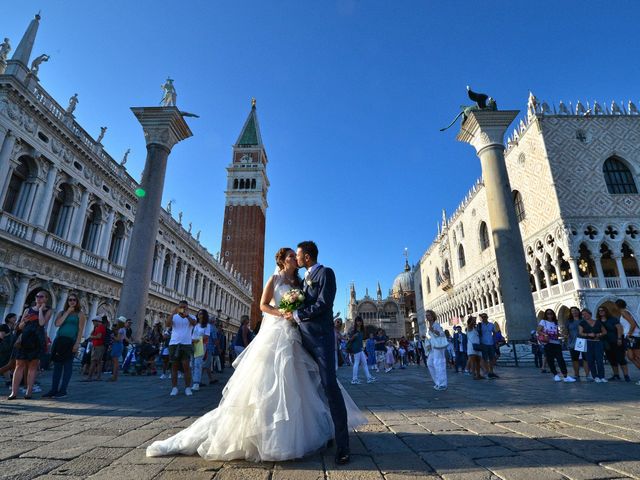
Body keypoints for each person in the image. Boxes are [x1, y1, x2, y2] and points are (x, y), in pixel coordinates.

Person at [146, 245, 365, 464]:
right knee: (273, 383)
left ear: (305, 257)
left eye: (296, 255)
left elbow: (320, 304)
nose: (294, 259)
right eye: (291, 256)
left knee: (308, 383)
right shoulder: (275, 279)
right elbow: (262, 305)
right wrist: (282, 312)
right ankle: (276, 435)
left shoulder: (305, 280)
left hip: (302, 336)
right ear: (283, 260)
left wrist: (294, 314)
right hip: (279, 333)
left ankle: (325, 435)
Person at [8, 290, 52, 399]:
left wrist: (40, 310)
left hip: (37, 340)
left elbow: (42, 323)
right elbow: (20, 327)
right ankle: (14, 392)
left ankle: (29, 391)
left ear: (46, 299)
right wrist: (25, 320)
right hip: (25, 339)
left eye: (41, 297)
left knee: (32, 367)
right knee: (19, 365)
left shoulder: (48, 311)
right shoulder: (28, 310)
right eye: (37, 296)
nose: (38, 298)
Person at [44, 293, 86, 397]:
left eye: (74, 300)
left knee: (67, 366)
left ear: (77, 302)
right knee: (57, 366)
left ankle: (63, 390)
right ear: (67, 302)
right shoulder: (62, 312)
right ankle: (54, 389)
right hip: (59, 340)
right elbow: (57, 324)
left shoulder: (80, 314)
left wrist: (77, 343)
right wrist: (67, 312)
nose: (72, 302)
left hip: (70, 341)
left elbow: (80, 330)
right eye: (70, 300)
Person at [167, 300, 197, 396]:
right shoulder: (174, 316)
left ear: (188, 308)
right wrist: (173, 313)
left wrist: (187, 316)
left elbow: (194, 324)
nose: (183, 309)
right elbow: (167, 324)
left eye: (185, 307)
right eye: (181, 307)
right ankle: (174, 387)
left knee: (186, 366)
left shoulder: (191, 316)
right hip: (174, 343)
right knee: (174, 367)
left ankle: (187, 387)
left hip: (186, 344)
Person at [537, 309, 575, 382]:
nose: (549, 315)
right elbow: (538, 331)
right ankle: (555, 375)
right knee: (550, 360)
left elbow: (556, 333)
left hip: (556, 343)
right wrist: (544, 334)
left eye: (551, 313)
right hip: (548, 343)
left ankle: (565, 376)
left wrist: (563, 335)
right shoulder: (543, 321)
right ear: (546, 315)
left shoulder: (555, 322)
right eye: (548, 313)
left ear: (553, 314)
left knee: (560, 359)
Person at [597, 305, 630, 382]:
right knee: (611, 359)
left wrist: (619, 338)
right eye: (599, 311)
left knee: (621, 358)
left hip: (615, 341)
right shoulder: (598, 321)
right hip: (606, 343)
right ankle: (616, 375)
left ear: (606, 311)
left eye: (602, 310)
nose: (601, 312)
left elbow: (619, 328)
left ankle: (626, 375)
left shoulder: (612, 319)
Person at [578, 308, 607, 382]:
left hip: (598, 342)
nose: (585, 315)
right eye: (583, 314)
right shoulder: (582, 323)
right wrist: (588, 334)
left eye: (586, 314)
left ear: (590, 314)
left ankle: (602, 376)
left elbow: (604, 332)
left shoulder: (598, 322)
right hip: (588, 342)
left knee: (599, 360)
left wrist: (599, 334)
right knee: (590, 360)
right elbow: (580, 333)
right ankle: (595, 377)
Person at [616, 299, 640, 382]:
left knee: (637, 356)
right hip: (631, 336)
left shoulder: (624, 312)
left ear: (616, 306)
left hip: (632, 336)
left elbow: (633, 324)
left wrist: (629, 334)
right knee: (631, 357)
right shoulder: (627, 312)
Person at [348, 316, 376, 384]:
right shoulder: (353, 331)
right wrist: (354, 336)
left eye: (360, 321)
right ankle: (354, 379)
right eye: (357, 321)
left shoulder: (361, 330)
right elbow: (350, 340)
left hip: (360, 348)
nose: (359, 322)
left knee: (364, 363)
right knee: (357, 363)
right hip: (356, 348)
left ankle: (368, 377)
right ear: (355, 322)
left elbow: (361, 340)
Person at [426, 310, 447, 390]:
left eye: (428, 315)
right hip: (433, 347)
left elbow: (441, 334)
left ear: (432, 316)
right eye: (426, 315)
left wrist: (433, 331)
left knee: (439, 364)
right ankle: (437, 382)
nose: (427, 317)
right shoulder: (430, 325)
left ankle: (442, 384)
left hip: (438, 347)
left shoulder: (436, 324)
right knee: (429, 363)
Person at [566, 306, 589, 381]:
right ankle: (576, 375)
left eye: (575, 310)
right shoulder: (569, 321)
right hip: (573, 342)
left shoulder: (583, 320)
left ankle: (587, 375)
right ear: (570, 312)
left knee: (585, 359)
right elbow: (566, 332)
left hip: (582, 341)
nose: (574, 312)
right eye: (572, 311)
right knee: (575, 359)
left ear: (578, 311)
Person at [191, 310, 210, 391]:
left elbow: (206, 336)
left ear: (204, 315)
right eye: (198, 313)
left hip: (200, 344)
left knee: (198, 363)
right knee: (192, 363)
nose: (199, 314)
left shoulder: (207, 325)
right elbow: (192, 335)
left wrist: (197, 340)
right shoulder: (196, 325)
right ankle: (194, 380)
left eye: (201, 313)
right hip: (192, 344)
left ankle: (196, 383)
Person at [477, 313, 499, 379]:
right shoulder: (480, 325)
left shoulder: (491, 325)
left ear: (487, 317)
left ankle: (491, 371)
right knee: (485, 359)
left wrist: (494, 340)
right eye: (482, 317)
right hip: (483, 344)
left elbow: (494, 332)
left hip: (491, 343)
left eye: (485, 317)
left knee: (492, 358)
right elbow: (478, 334)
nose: (483, 318)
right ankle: (487, 372)